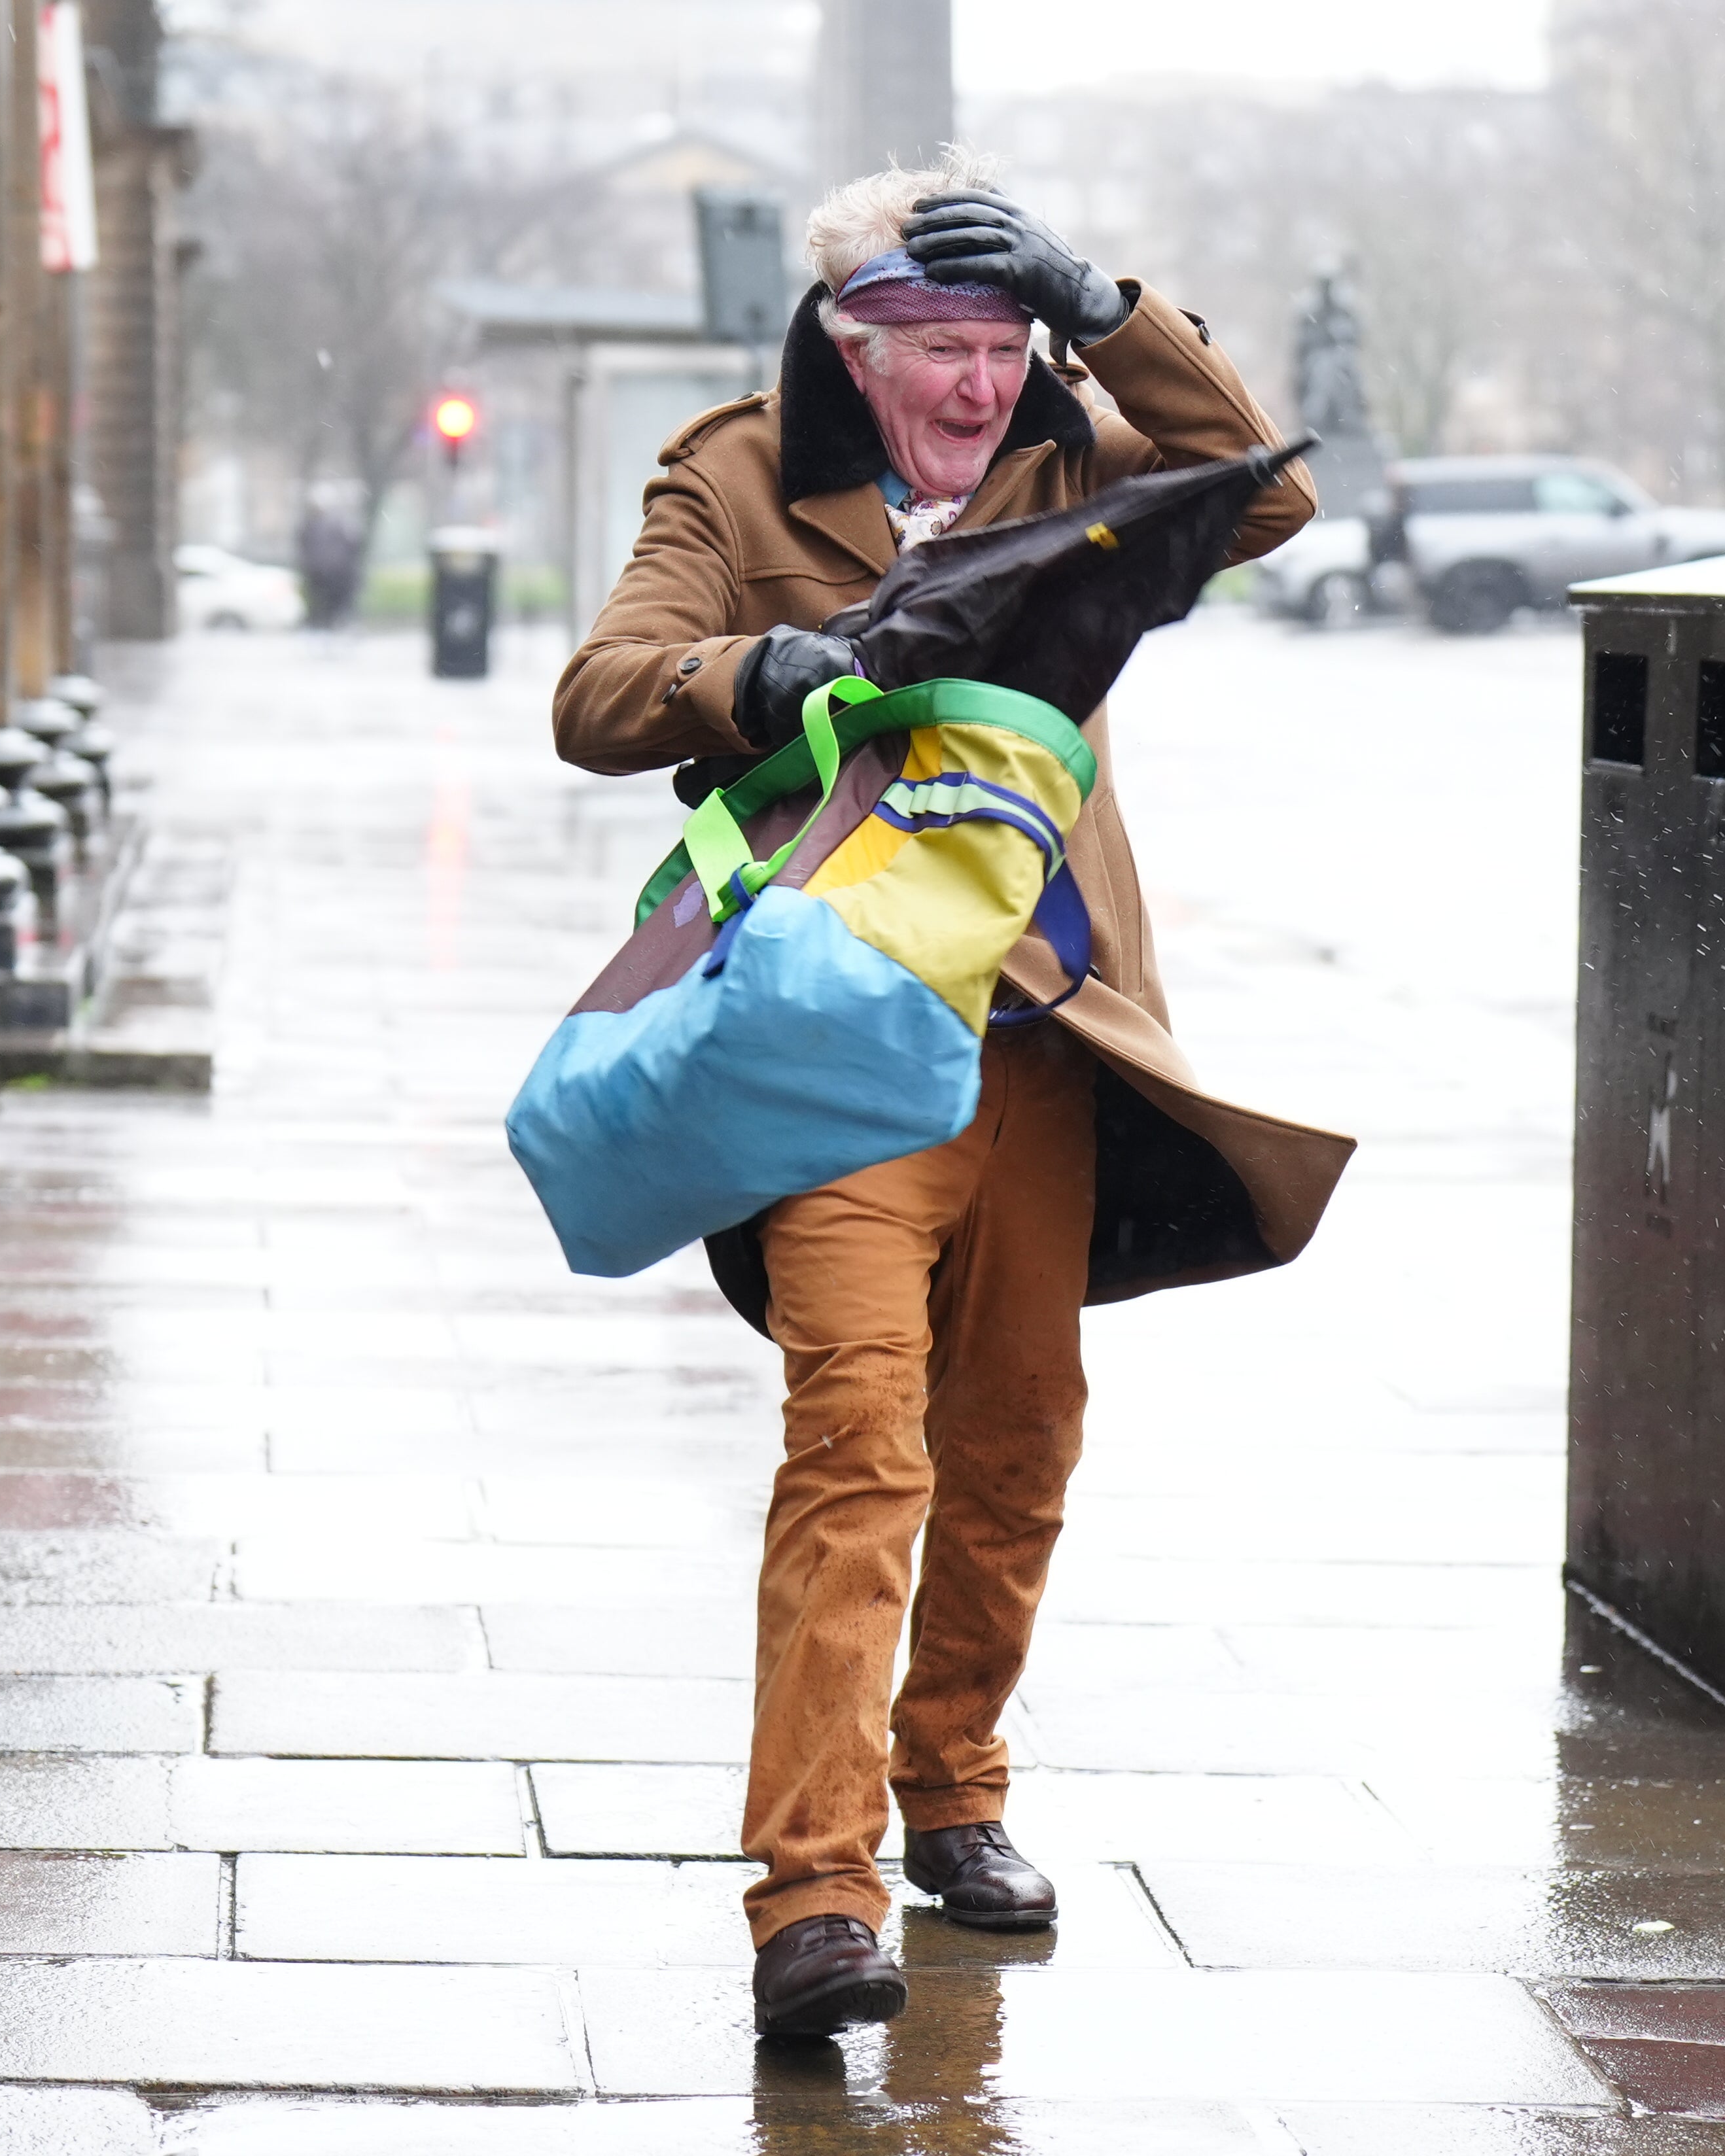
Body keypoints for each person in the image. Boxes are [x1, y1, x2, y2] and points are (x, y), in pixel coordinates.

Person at [551, 155, 1353, 2040]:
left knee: (1014, 1444)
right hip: (835, 1048)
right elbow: (600, 697)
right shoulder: (739, 476)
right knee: (858, 1445)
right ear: (853, 345)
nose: (983, 384)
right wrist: (757, 671)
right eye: (944, 351)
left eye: (1006, 343)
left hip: (1046, 1036)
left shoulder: (1080, 453)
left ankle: (956, 1791)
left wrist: (1106, 305)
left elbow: (1275, 492)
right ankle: (814, 1900)